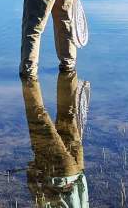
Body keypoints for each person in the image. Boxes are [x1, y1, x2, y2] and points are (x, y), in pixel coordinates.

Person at [21, 72, 89, 207]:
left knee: (67, 113)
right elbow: (40, 196)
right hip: (59, 174)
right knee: (37, 115)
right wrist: (32, 174)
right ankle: (28, 70)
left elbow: (83, 193)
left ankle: (68, 65)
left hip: (78, 170)